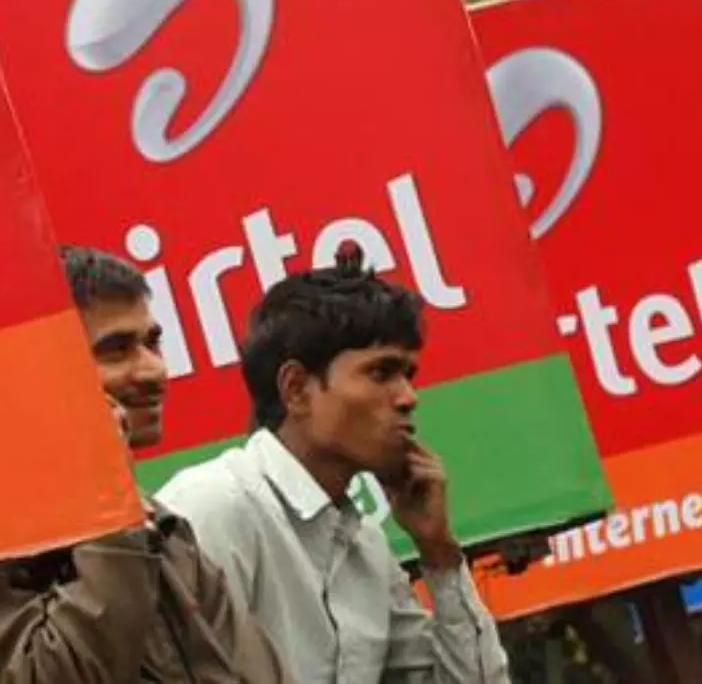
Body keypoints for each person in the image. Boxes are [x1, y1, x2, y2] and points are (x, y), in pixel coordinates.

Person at [0, 246, 294, 684]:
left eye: (152, 342)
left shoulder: (159, 526)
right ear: (32, 374)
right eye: (116, 350)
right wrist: (108, 504)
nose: (153, 371)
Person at [155, 244, 510, 684]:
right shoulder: (212, 509)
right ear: (296, 389)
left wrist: (438, 551)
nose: (408, 397)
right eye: (381, 373)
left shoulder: (365, 546)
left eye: (408, 375)